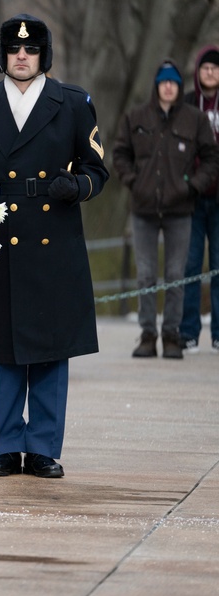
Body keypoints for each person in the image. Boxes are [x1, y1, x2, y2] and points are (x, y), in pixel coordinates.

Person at [0, 14, 109, 478]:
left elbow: (99, 171)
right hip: (1, 241)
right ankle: (6, 445)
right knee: (3, 348)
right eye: (14, 50)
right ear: (3, 56)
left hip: (55, 241)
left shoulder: (72, 102)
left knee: (52, 349)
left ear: (43, 56)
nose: (22, 56)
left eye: (31, 50)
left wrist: (77, 186)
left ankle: (43, 449)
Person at [114, 60, 219, 360]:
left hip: (180, 209)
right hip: (144, 209)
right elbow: (119, 153)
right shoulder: (136, 116)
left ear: (178, 86)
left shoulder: (194, 119)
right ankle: (148, 334)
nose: (169, 86)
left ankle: (172, 334)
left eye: (174, 82)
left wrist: (193, 186)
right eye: (164, 81)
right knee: (146, 274)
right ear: (157, 85)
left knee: (176, 274)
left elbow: (212, 157)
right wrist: (133, 182)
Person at [180, 45, 219, 353]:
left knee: (218, 266)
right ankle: (189, 331)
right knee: (190, 266)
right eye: (205, 67)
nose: (210, 72)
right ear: (198, 71)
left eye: (215, 68)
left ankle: (218, 333)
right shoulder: (187, 105)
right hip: (192, 198)